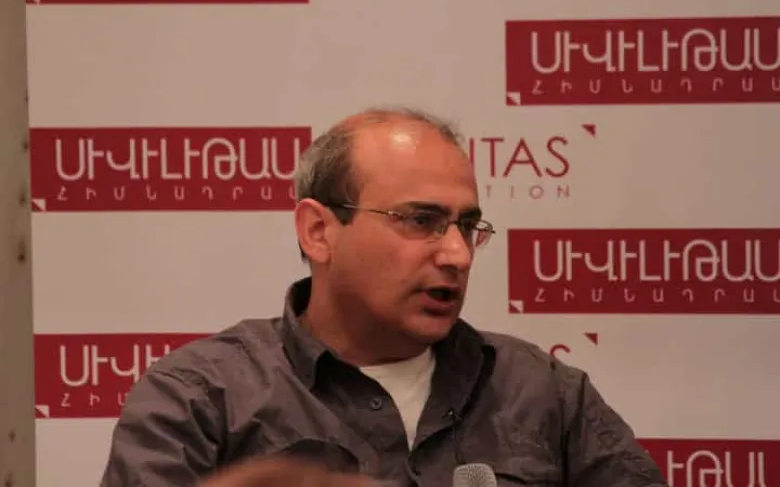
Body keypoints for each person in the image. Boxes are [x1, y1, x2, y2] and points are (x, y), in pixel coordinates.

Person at [100, 107, 669, 487]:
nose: (457, 254)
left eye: (467, 226)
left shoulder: (543, 393)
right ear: (318, 232)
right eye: (421, 220)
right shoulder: (200, 400)